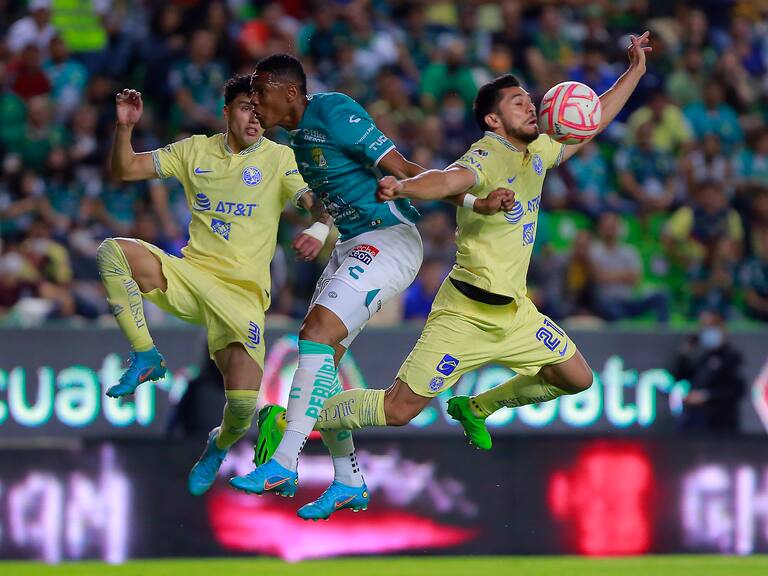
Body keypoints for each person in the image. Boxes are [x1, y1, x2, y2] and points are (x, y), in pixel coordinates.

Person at [247, 32, 653, 495]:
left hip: (515, 311)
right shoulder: (487, 153)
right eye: (519, 102)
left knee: (577, 378)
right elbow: (445, 180)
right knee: (400, 410)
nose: (531, 107)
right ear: (493, 119)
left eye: (530, 100)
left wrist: (635, 70)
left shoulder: (538, 151)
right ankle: (296, 418)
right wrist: (405, 187)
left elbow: (593, 119)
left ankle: (477, 407)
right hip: (464, 313)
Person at [228, 54, 512, 519]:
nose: (253, 103)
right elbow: (335, 194)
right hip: (353, 244)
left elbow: (404, 167)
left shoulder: (335, 111)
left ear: (291, 93)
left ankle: (283, 463)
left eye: (260, 92)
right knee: (323, 366)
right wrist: (322, 229)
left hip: (388, 240)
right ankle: (348, 478)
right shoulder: (299, 139)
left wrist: (475, 203)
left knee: (315, 335)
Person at [98, 74, 323, 497]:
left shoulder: (280, 159)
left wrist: (319, 219)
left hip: (243, 297)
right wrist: (125, 126)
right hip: (192, 274)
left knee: (241, 408)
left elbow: (312, 200)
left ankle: (216, 446)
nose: (254, 118)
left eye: (260, 111)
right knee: (113, 251)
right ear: (226, 112)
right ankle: (145, 355)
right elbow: (125, 169)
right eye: (245, 108)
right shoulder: (194, 149)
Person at [673, 310, 745, 431]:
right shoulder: (703, 358)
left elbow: (736, 390)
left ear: (722, 328)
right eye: (704, 327)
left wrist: (706, 396)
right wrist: (684, 354)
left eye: (711, 326)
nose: (707, 331)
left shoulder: (731, 357)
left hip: (721, 426)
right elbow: (681, 377)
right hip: (697, 426)